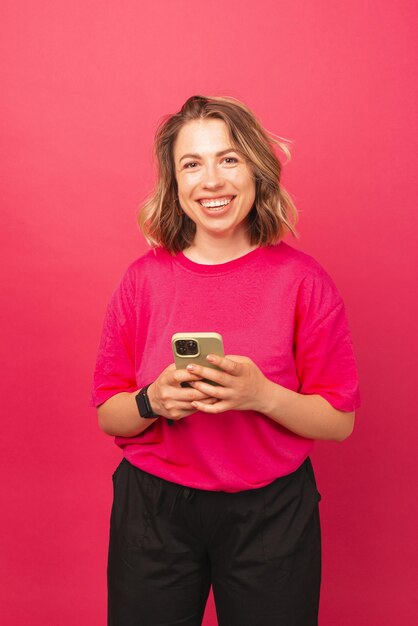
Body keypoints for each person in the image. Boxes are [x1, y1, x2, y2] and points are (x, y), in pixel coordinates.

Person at [92, 95, 360, 626]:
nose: (210, 180)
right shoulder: (142, 281)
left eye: (228, 159)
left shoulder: (304, 281)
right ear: (175, 183)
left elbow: (340, 422)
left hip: (272, 512)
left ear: (257, 171)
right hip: (154, 510)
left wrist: (260, 395)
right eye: (192, 164)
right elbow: (108, 414)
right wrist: (154, 400)